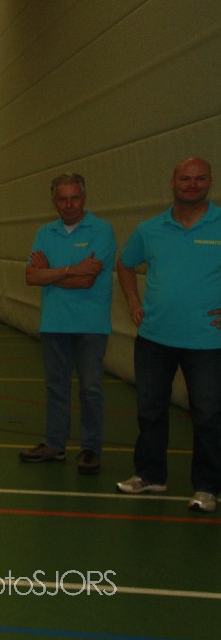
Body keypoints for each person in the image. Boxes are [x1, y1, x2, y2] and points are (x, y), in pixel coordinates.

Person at [116, 157, 221, 513]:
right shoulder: (150, 229)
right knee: (150, 411)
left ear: (209, 182)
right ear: (173, 182)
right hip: (155, 338)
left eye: (200, 179)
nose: (192, 185)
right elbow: (125, 263)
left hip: (207, 342)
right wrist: (133, 301)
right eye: (185, 179)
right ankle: (149, 475)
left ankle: (207, 487)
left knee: (208, 415)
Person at [19, 173, 117, 474]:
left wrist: (51, 273)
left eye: (74, 198)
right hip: (54, 322)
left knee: (91, 388)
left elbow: (87, 280)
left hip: (91, 325)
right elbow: (31, 276)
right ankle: (55, 444)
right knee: (56, 387)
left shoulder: (101, 230)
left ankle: (90, 449)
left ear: (84, 198)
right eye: (62, 199)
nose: (69, 204)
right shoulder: (45, 233)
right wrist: (72, 269)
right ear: (54, 202)